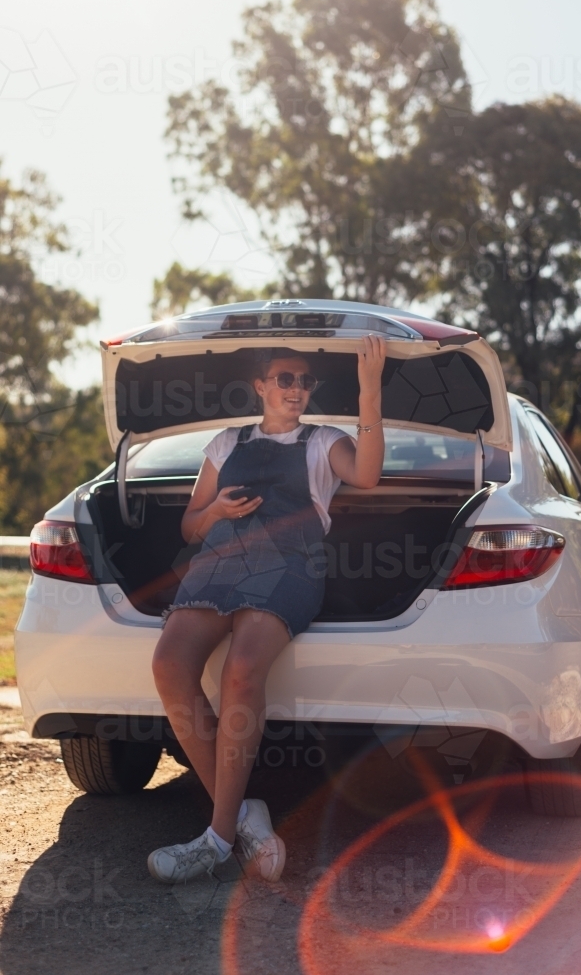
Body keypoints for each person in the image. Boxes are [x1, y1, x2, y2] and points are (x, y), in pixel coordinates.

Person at [148, 336, 386, 884]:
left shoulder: (324, 440)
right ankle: (242, 814)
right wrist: (215, 511)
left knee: (243, 670)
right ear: (260, 385)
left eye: (305, 382)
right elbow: (189, 526)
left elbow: (368, 474)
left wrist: (368, 388)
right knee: (169, 666)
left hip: (290, 566)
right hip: (218, 562)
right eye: (285, 379)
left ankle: (215, 838)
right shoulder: (225, 443)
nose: (297, 389)